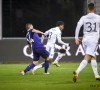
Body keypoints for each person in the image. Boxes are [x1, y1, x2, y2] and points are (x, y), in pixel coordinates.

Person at [73, 3, 100, 82]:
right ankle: (77, 71)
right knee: (88, 57)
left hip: (85, 40)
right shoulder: (98, 17)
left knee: (93, 56)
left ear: (87, 9)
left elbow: (78, 26)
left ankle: (96, 75)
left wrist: (76, 37)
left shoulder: (84, 17)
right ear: (94, 9)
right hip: (93, 40)